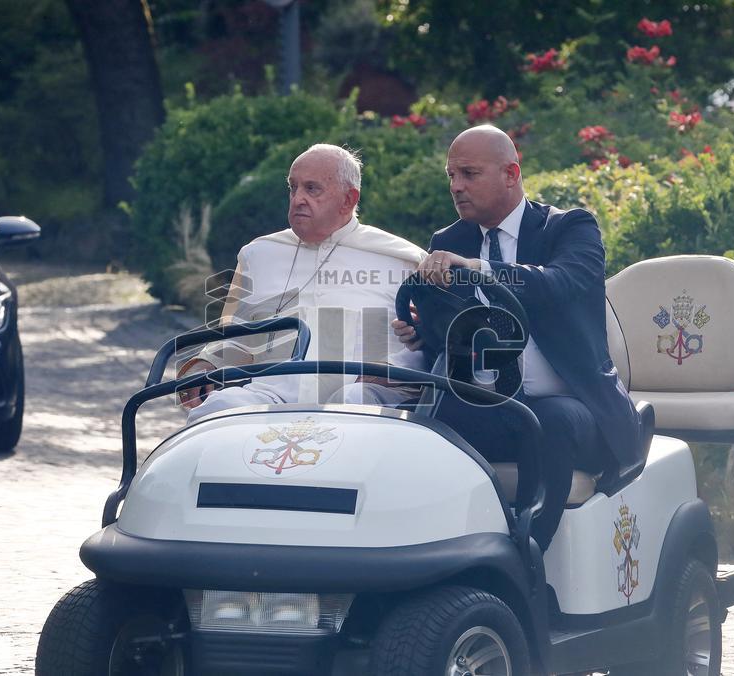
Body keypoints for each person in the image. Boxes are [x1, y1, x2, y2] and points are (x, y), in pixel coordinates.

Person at [392, 125, 641, 550]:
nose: (456, 186)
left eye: (469, 174)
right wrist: (424, 333)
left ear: (511, 173)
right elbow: (452, 330)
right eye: (451, 176)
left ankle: (528, 548)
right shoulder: (447, 241)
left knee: (550, 421)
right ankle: (429, 546)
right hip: (492, 401)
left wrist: (478, 268)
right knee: (421, 422)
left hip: (576, 406)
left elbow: (560, 283)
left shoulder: (570, 228)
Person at [177, 144, 425, 421]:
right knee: (213, 410)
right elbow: (237, 336)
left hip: (361, 398)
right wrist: (206, 363)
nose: (297, 199)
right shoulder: (258, 255)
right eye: (293, 188)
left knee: (353, 403)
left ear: (348, 200)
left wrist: (388, 372)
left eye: (312, 189)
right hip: (274, 395)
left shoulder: (402, 260)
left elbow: (426, 344)